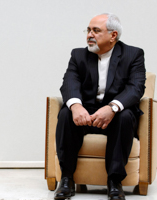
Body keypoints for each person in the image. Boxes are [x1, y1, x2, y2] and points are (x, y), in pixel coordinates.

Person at [54, 13, 145, 200]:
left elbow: (136, 88)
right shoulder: (78, 55)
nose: (89, 35)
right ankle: (66, 179)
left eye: (96, 30)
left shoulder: (133, 54)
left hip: (116, 116)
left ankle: (114, 181)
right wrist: (76, 106)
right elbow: (69, 82)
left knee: (126, 116)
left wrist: (112, 107)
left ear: (113, 36)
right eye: (88, 30)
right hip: (86, 113)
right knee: (65, 114)